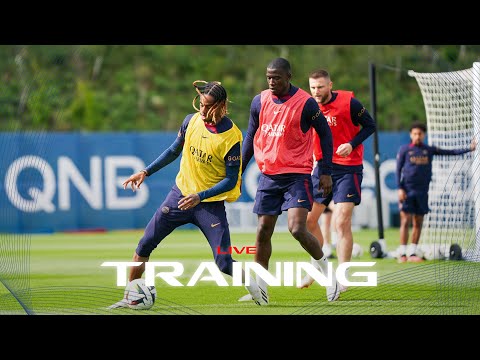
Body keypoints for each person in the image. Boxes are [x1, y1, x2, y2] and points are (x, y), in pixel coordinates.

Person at [109, 80, 267, 308]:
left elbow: (231, 179)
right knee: (144, 245)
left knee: (223, 262)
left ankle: (254, 285)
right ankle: (129, 296)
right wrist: (146, 171)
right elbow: (174, 150)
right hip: (178, 197)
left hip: (209, 205)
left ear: (221, 106)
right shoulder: (190, 121)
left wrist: (200, 196)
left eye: (208, 106)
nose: (202, 110)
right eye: (201, 104)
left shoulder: (232, 136)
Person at [238, 57, 339, 303]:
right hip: (269, 175)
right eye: (269, 77)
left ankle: (329, 275)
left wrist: (325, 171)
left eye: (277, 78)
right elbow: (251, 135)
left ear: (289, 77)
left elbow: (325, 134)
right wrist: (238, 169)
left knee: (297, 228)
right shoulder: (259, 101)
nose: (272, 82)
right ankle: (260, 288)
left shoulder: (305, 103)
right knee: (263, 230)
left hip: (297, 175)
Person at [299, 69, 376, 290]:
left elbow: (370, 125)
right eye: (313, 87)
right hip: (322, 168)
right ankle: (317, 266)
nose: (316, 91)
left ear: (330, 85)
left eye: (320, 87)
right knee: (308, 222)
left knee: (341, 222)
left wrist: (352, 143)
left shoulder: (349, 102)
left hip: (348, 169)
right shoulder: (307, 105)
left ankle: (342, 278)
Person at [396, 122, 476, 263]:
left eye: (420, 134)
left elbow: (450, 152)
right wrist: (400, 188)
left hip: (422, 192)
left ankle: (413, 252)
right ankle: (402, 253)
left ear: (424, 135)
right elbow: (398, 170)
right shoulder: (405, 150)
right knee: (405, 220)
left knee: (418, 222)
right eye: (415, 133)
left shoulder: (429, 150)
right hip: (407, 191)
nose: (417, 136)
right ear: (410, 134)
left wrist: (469, 149)